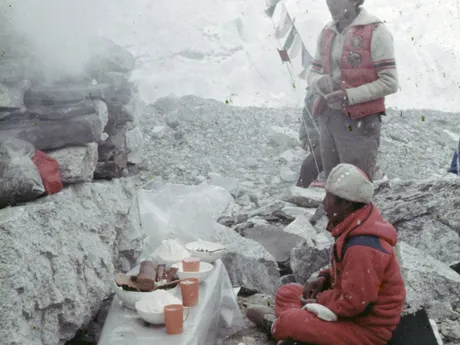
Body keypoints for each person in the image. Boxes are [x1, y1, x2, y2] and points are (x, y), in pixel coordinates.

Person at [247, 163, 406, 345]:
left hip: (366, 330)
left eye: (328, 198)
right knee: (287, 292)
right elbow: (349, 273)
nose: (324, 204)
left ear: (345, 203)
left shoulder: (364, 247)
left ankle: (279, 327)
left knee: (291, 321)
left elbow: (354, 304)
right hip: (348, 314)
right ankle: (303, 333)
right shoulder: (355, 226)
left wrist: (320, 299)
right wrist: (324, 278)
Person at [308, 0, 398, 181]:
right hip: (328, 118)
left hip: (361, 121)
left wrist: (350, 96)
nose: (331, 4)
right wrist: (319, 81)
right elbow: (312, 73)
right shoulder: (327, 32)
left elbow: (390, 82)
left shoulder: (375, 31)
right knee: (333, 184)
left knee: (356, 185)